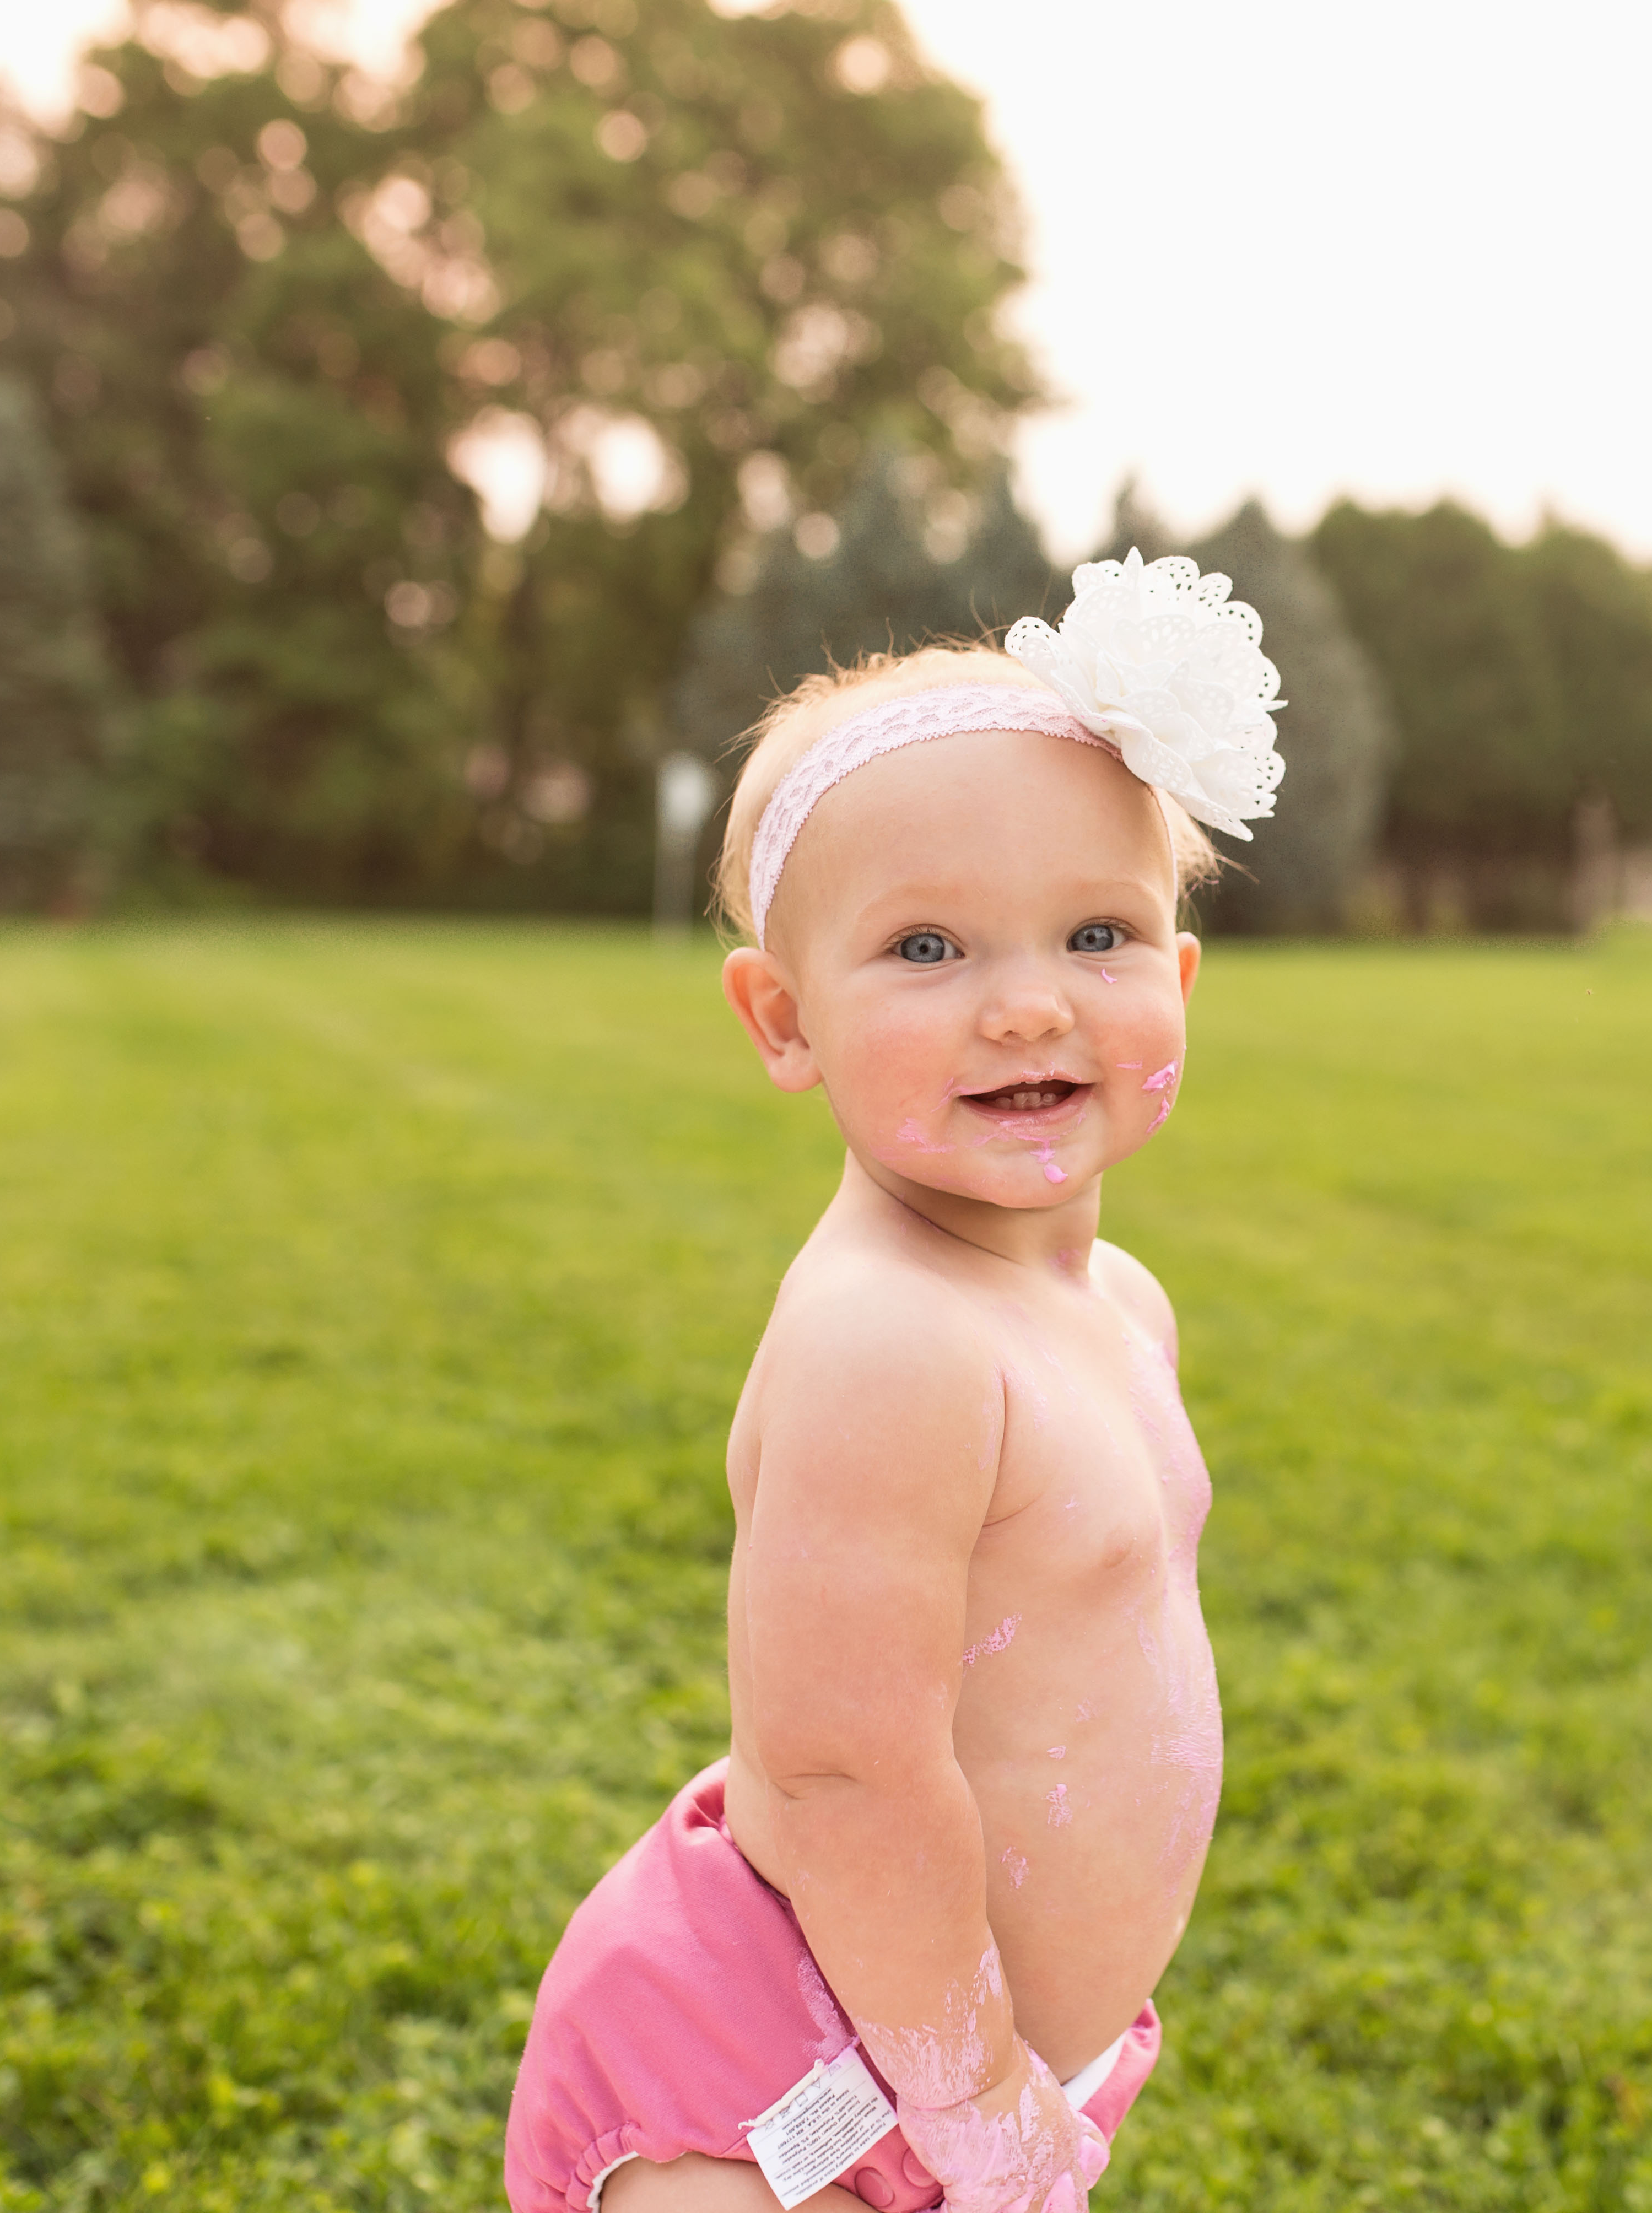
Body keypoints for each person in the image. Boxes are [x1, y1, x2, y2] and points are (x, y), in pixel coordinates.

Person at [505, 554, 1287, 2213]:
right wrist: (983, 2105)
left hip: (955, 2053)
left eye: (1098, 933)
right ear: (784, 1021)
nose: (1024, 1002)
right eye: (927, 947)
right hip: (789, 2090)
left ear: (1181, 980)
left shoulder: (1117, 1304)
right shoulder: (892, 1343)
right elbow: (846, 1770)